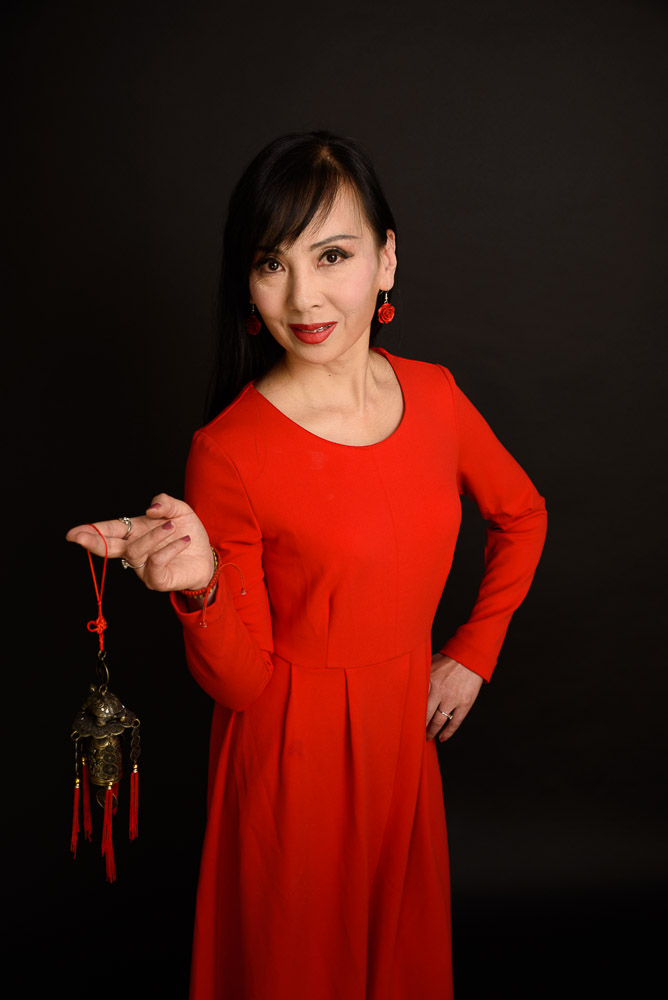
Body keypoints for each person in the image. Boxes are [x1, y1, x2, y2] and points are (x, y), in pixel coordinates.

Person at [67, 130, 547, 1000]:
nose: (304, 296)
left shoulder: (436, 395)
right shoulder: (228, 451)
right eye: (272, 263)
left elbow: (522, 515)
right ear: (247, 285)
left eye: (333, 255)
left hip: (401, 743)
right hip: (291, 760)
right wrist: (200, 586)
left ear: (387, 259)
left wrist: (473, 653)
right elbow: (242, 682)